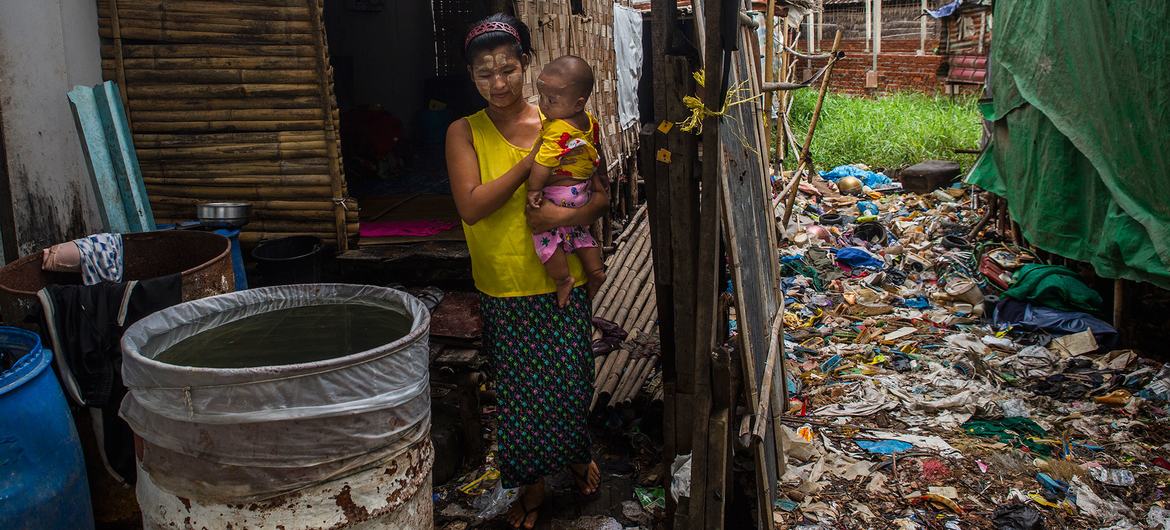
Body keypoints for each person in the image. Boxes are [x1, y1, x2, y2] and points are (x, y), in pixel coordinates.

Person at [445, 14, 606, 530]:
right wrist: (530, 163)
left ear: (525, 66)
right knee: (518, 397)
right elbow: (471, 208)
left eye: (508, 69)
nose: (498, 83)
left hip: (563, 282)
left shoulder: (563, 119)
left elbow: (598, 193)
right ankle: (532, 487)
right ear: (471, 77)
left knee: (571, 381)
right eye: (484, 73)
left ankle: (577, 457)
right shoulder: (463, 132)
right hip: (504, 283)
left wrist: (566, 216)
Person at [526, 55, 607, 308]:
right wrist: (601, 176)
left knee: (544, 236)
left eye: (551, 100)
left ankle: (562, 279)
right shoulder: (589, 122)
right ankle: (595, 271)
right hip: (582, 191)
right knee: (580, 232)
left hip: (558, 194)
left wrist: (534, 188)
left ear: (578, 102)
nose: (543, 105)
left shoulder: (558, 130)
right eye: (542, 97)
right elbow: (598, 149)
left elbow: (543, 162)